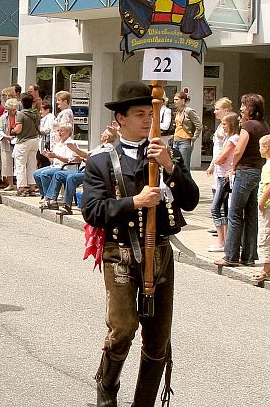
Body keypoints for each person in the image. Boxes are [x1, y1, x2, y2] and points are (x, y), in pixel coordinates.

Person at [81, 81, 199, 407]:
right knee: (122, 328)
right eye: (139, 114)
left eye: (151, 113)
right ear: (120, 119)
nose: (148, 120)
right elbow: (92, 211)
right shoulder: (101, 161)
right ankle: (107, 390)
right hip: (119, 252)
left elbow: (190, 201)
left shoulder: (166, 154)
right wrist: (135, 202)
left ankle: (143, 403)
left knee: (158, 338)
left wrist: (170, 167)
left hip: (160, 252)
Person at [215, 94, 269, 267]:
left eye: (244, 106)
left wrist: (233, 165)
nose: (241, 109)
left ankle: (230, 256)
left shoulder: (247, 125)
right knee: (251, 214)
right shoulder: (264, 125)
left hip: (245, 171)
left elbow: (239, 149)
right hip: (257, 171)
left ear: (251, 108)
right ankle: (249, 256)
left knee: (235, 214)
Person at [250, 134, 270, 282]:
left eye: (260, 146)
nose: (259, 149)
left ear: (266, 148)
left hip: (268, 206)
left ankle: (266, 268)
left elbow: (269, 187)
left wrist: (261, 202)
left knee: (264, 237)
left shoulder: (268, 166)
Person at [207, 112, 239, 253]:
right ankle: (224, 241)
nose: (223, 127)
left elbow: (222, 157)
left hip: (224, 178)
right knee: (223, 209)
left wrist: (219, 160)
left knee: (216, 208)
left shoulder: (234, 139)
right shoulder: (228, 138)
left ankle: (222, 241)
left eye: (225, 125)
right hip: (221, 176)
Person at [34, 122, 78, 206]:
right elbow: (54, 158)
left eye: (62, 131)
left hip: (65, 167)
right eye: (59, 131)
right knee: (36, 173)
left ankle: (49, 198)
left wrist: (56, 156)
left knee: (44, 174)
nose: (59, 133)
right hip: (55, 166)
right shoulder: (59, 143)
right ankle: (44, 195)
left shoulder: (71, 144)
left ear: (69, 132)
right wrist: (48, 155)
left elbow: (69, 160)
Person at [12, 93, 40, 196]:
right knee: (32, 164)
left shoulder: (20, 114)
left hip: (23, 141)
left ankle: (21, 187)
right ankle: (32, 186)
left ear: (22, 102)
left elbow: (18, 130)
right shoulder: (35, 113)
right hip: (34, 140)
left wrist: (13, 130)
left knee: (20, 164)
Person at [172, 91, 201, 169]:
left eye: (177, 99)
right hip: (176, 140)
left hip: (184, 141)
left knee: (184, 167)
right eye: (174, 99)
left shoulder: (189, 111)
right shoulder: (177, 112)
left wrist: (194, 138)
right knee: (176, 166)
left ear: (183, 101)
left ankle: (186, 181)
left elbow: (199, 125)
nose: (175, 101)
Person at [0, 97, 18, 191]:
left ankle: (20, 183)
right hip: (6, 142)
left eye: (14, 109)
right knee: (7, 163)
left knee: (19, 163)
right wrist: (6, 136)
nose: (13, 111)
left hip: (18, 141)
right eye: (11, 110)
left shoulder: (20, 115)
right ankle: (10, 184)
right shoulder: (3, 117)